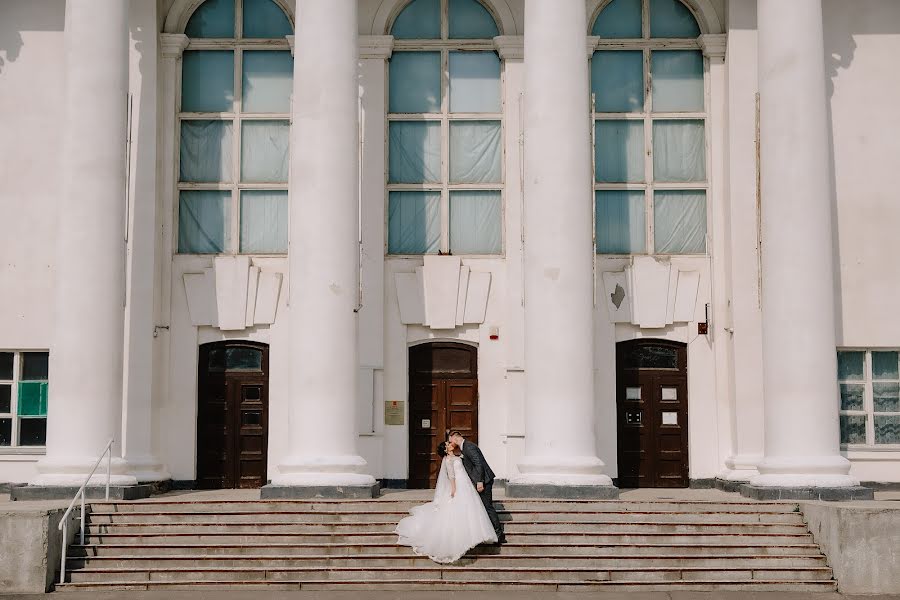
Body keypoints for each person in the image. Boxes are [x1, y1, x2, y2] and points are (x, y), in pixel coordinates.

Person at [395, 439, 497, 563]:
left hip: (467, 485)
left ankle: (476, 536)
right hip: (459, 486)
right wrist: (454, 489)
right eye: (448, 444)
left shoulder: (458, 456)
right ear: (446, 449)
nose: (450, 444)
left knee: (471, 508)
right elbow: (451, 475)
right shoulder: (448, 460)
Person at [448, 431, 506, 544]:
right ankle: (492, 533)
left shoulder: (468, 447)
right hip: (481, 480)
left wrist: (480, 481)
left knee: (487, 507)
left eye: (451, 440)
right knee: (484, 507)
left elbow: (478, 464)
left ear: (455, 438)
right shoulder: (464, 447)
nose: (451, 443)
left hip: (484, 481)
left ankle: (499, 535)